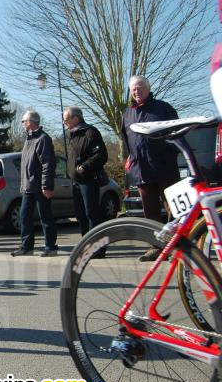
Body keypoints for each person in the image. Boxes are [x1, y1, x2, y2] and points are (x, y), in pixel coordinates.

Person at [122, 75, 180, 261]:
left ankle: (177, 245)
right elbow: (126, 139)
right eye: (133, 89)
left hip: (164, 166)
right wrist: (129, 159)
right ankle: (157, 247)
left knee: (172, 207)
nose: (137, 92)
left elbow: (177, 135)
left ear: (148, 88)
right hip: (142, 169)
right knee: (150, 211)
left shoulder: (163, 108)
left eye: (140, 88)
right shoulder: (127, 114)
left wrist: (169, 153)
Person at [11, 111, 58, 257]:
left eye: (24, 121)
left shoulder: (43, 139)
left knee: (46, 216)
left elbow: (47, 164)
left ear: (31, 122)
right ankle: (27, 247)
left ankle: (50, 246)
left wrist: (46, 186)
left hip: (40, 186)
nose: (23, 124)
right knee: (24, 216)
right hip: (28, 186)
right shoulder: (28, 139)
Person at [64, 107, 108, 235]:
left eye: (66, 120)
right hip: (76, 181)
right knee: (80, 214)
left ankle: (98, 247)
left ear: (76, 118)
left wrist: (85, 166)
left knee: (91, 213)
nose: (64, 123)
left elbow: (101, 155)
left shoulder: (90, 132)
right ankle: (86, 244)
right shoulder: (72, 135)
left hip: (88, 180)